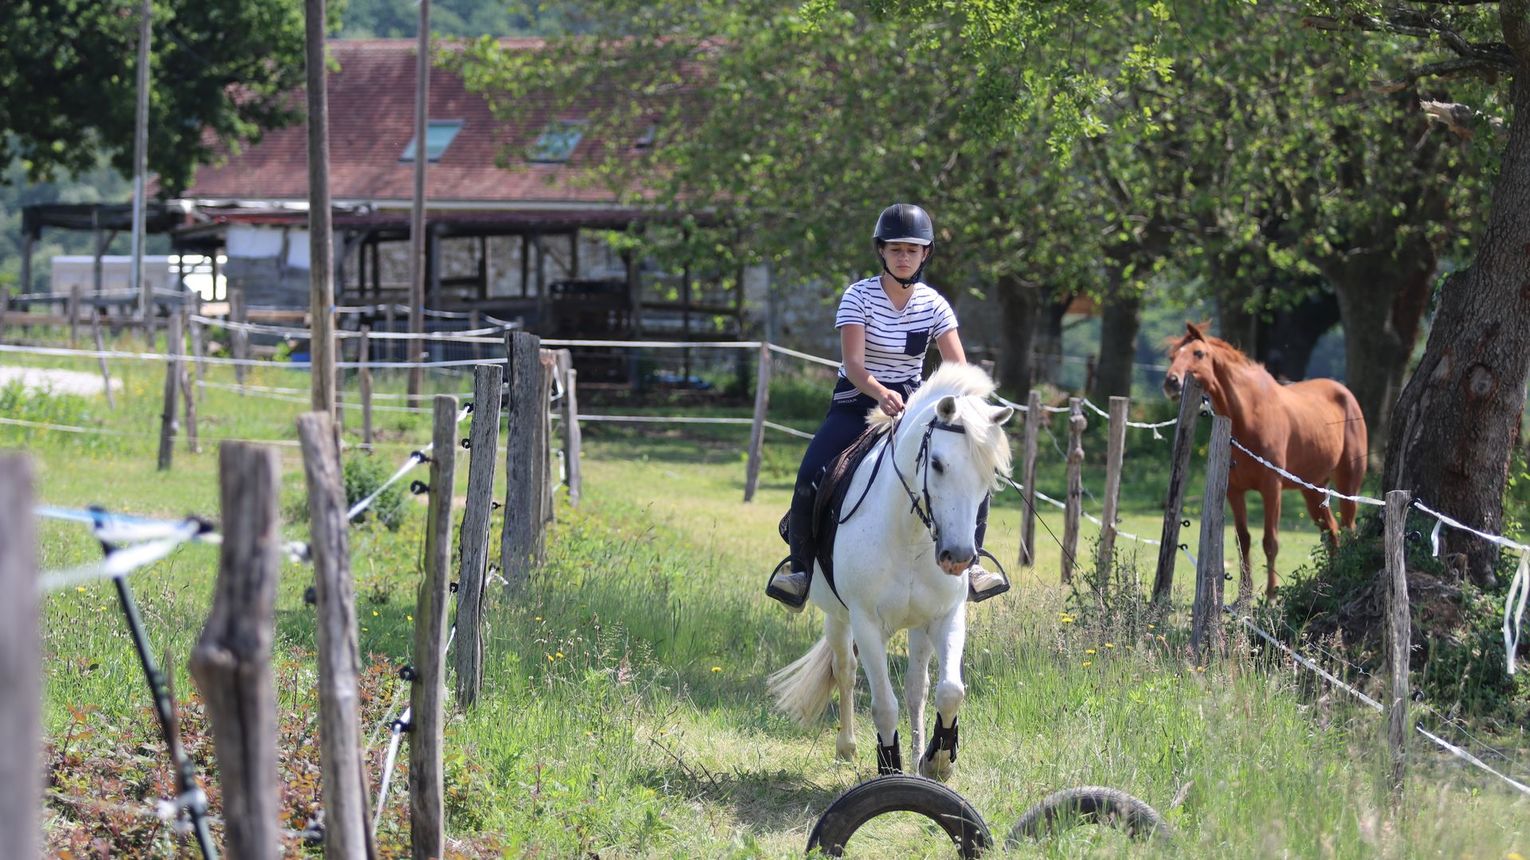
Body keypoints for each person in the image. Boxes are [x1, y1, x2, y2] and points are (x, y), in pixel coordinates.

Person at [765, 203, 1010, 612]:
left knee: (968, 469)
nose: (903, 257)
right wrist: (880, 392)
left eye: (912, 250)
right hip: (856, 404)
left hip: (912, 410)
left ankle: (973, 565)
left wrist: (972, 413)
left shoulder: (934, 304)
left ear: (925, 254)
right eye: (896, 249)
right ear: (881, 251)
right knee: (811, 471)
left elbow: (957, 365)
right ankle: (800, 569)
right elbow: (855, 364)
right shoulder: (858, 296)